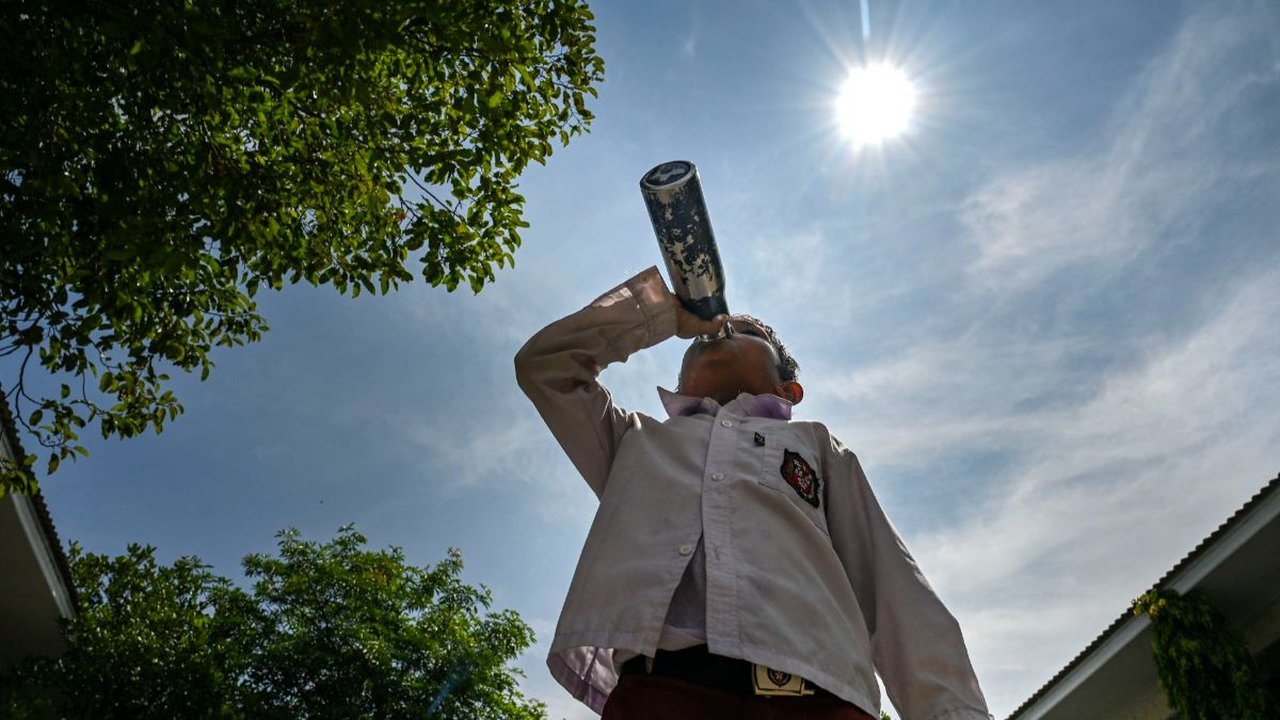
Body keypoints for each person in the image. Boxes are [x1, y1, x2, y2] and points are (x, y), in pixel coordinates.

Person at [515, 266, 991, 720]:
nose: (719, 330)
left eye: (747, 331)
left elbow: (893, 585)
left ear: (788, 389)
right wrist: (661, 314)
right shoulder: (636, 440)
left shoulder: (818, 447)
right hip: (660, 695)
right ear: (680, 382)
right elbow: (547, 367)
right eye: (705, 331)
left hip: (822, 700)